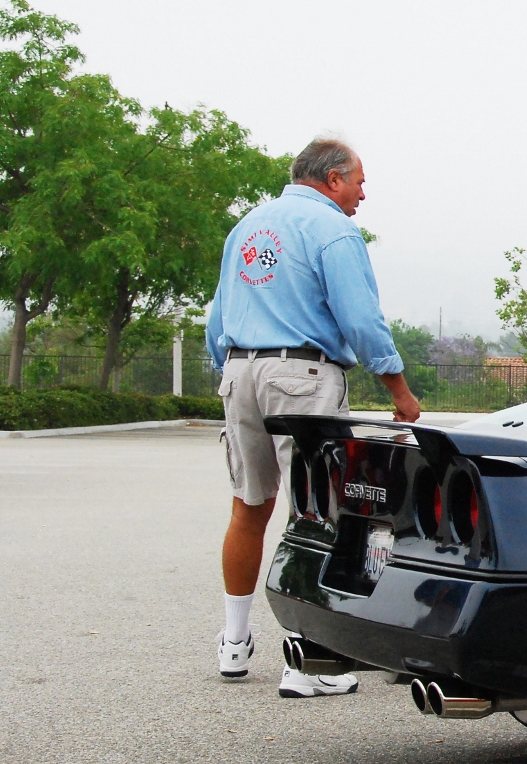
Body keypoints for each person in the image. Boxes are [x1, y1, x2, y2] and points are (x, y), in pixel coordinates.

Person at [205, 137, 421, 697]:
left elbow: (217, 318)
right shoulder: (332, 231)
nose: (362, 194)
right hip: (302, 376)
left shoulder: (247, 227)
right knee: (319, 512)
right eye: (359, 182)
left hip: (240, 370)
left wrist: (234, 373)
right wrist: (398, 388)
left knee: (248, 507)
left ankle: (233, 644)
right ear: (332, 179)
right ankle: (306, 664)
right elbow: (360, 318)